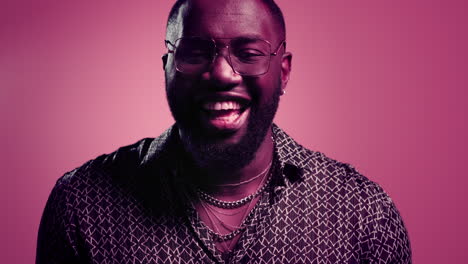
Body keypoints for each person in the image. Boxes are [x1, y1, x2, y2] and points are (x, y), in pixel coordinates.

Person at [36, 0, 411, 263]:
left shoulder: (363, 216)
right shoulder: (81, 206)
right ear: (167, 66)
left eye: (248, 53)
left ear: (283, 72)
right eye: (196, 51)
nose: (221, 73)